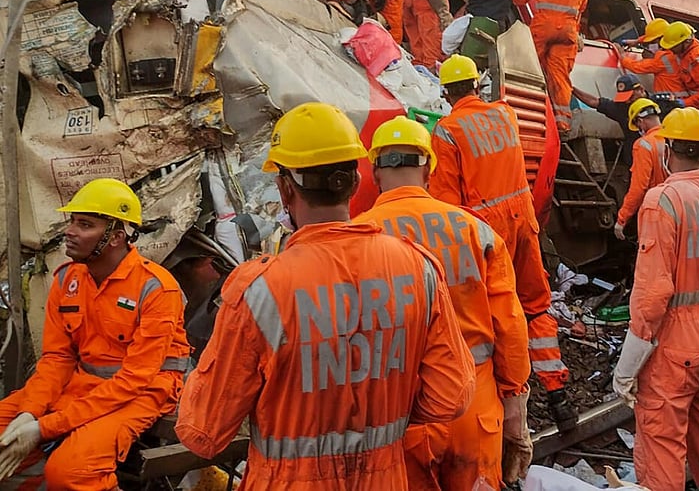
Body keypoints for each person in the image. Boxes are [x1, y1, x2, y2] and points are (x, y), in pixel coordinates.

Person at [176, 103, 476, 489]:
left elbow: (204, 431)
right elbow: (450, 398)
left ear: (286, 189)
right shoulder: (418, 268)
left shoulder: (260, 289)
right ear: (355, 182)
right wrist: (386, 413)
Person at [354, 116, 532, 490]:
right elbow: (509, 322)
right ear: (429, 170)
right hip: (474, 404)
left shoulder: (359, 237)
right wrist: (515, 400)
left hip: (400, 411)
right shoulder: (474, 229)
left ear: (374, 172)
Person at [0, 179, 191, 489]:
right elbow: (57, 358)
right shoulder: (67, 280)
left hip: (144, 391)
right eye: (72, 221)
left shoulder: (155, 288)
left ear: (115, 237)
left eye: (84, 224)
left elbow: (134, 380)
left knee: (70, 471)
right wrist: (28, 412)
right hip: (84, 384)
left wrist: (44, 427)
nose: (70, 232)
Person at [429, 55, 577, 432]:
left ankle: (504, 399)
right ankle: (559, 396)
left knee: (493, 313)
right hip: (524, 221)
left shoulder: (447, 131)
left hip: (486, 232)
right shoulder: (507, 114)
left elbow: (445, 204)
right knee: (535, 306)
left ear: (447, 92)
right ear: (477, 85)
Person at [612, 107, 699, 490]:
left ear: (667, 148)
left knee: (661, 443)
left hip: (676, 343)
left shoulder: (662, 201)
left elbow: (653, 292)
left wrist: (628, 364)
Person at [513, 0, 589, 134]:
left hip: (544, 25)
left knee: (527, 67)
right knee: (560, 78)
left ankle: (523, 113)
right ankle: (562, 124)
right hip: (568, 30)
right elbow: (581, 9)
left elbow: (520, 0)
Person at [573, 73, 682, 166]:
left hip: (664, 159)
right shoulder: (621, 107)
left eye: (631, 97)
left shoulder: (664, 103)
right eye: (625, 98)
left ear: (641, 90)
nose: (628, 101)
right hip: (637, 161)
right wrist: (571, 89)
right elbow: (594, 102)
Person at [614, 98, 668, 241]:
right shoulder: (674, 137)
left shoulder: (643, 144)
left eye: (637, 124)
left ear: (641, 121)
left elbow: (639, 187)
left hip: (658, 212)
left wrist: (622, 219)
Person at [617, 18, 689, 97]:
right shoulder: (675, 50)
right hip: (678, 98)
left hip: (672, 102)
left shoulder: (664, 58)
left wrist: (623, 56)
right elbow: (655, 36)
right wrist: (638, 41)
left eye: (653, 42)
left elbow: (637, 67)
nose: (651, 45)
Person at [659, 21, 699, 97]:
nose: (671, 49)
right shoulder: (684, 53)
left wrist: (685, 103)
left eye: (674, 46)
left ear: (686, 42)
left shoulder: (696, 59)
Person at [404, 0, 453, 71]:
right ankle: (431, 72)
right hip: (428, 1)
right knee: (432, 50)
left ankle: (421, 71)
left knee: (418, 49)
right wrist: (443, 11)